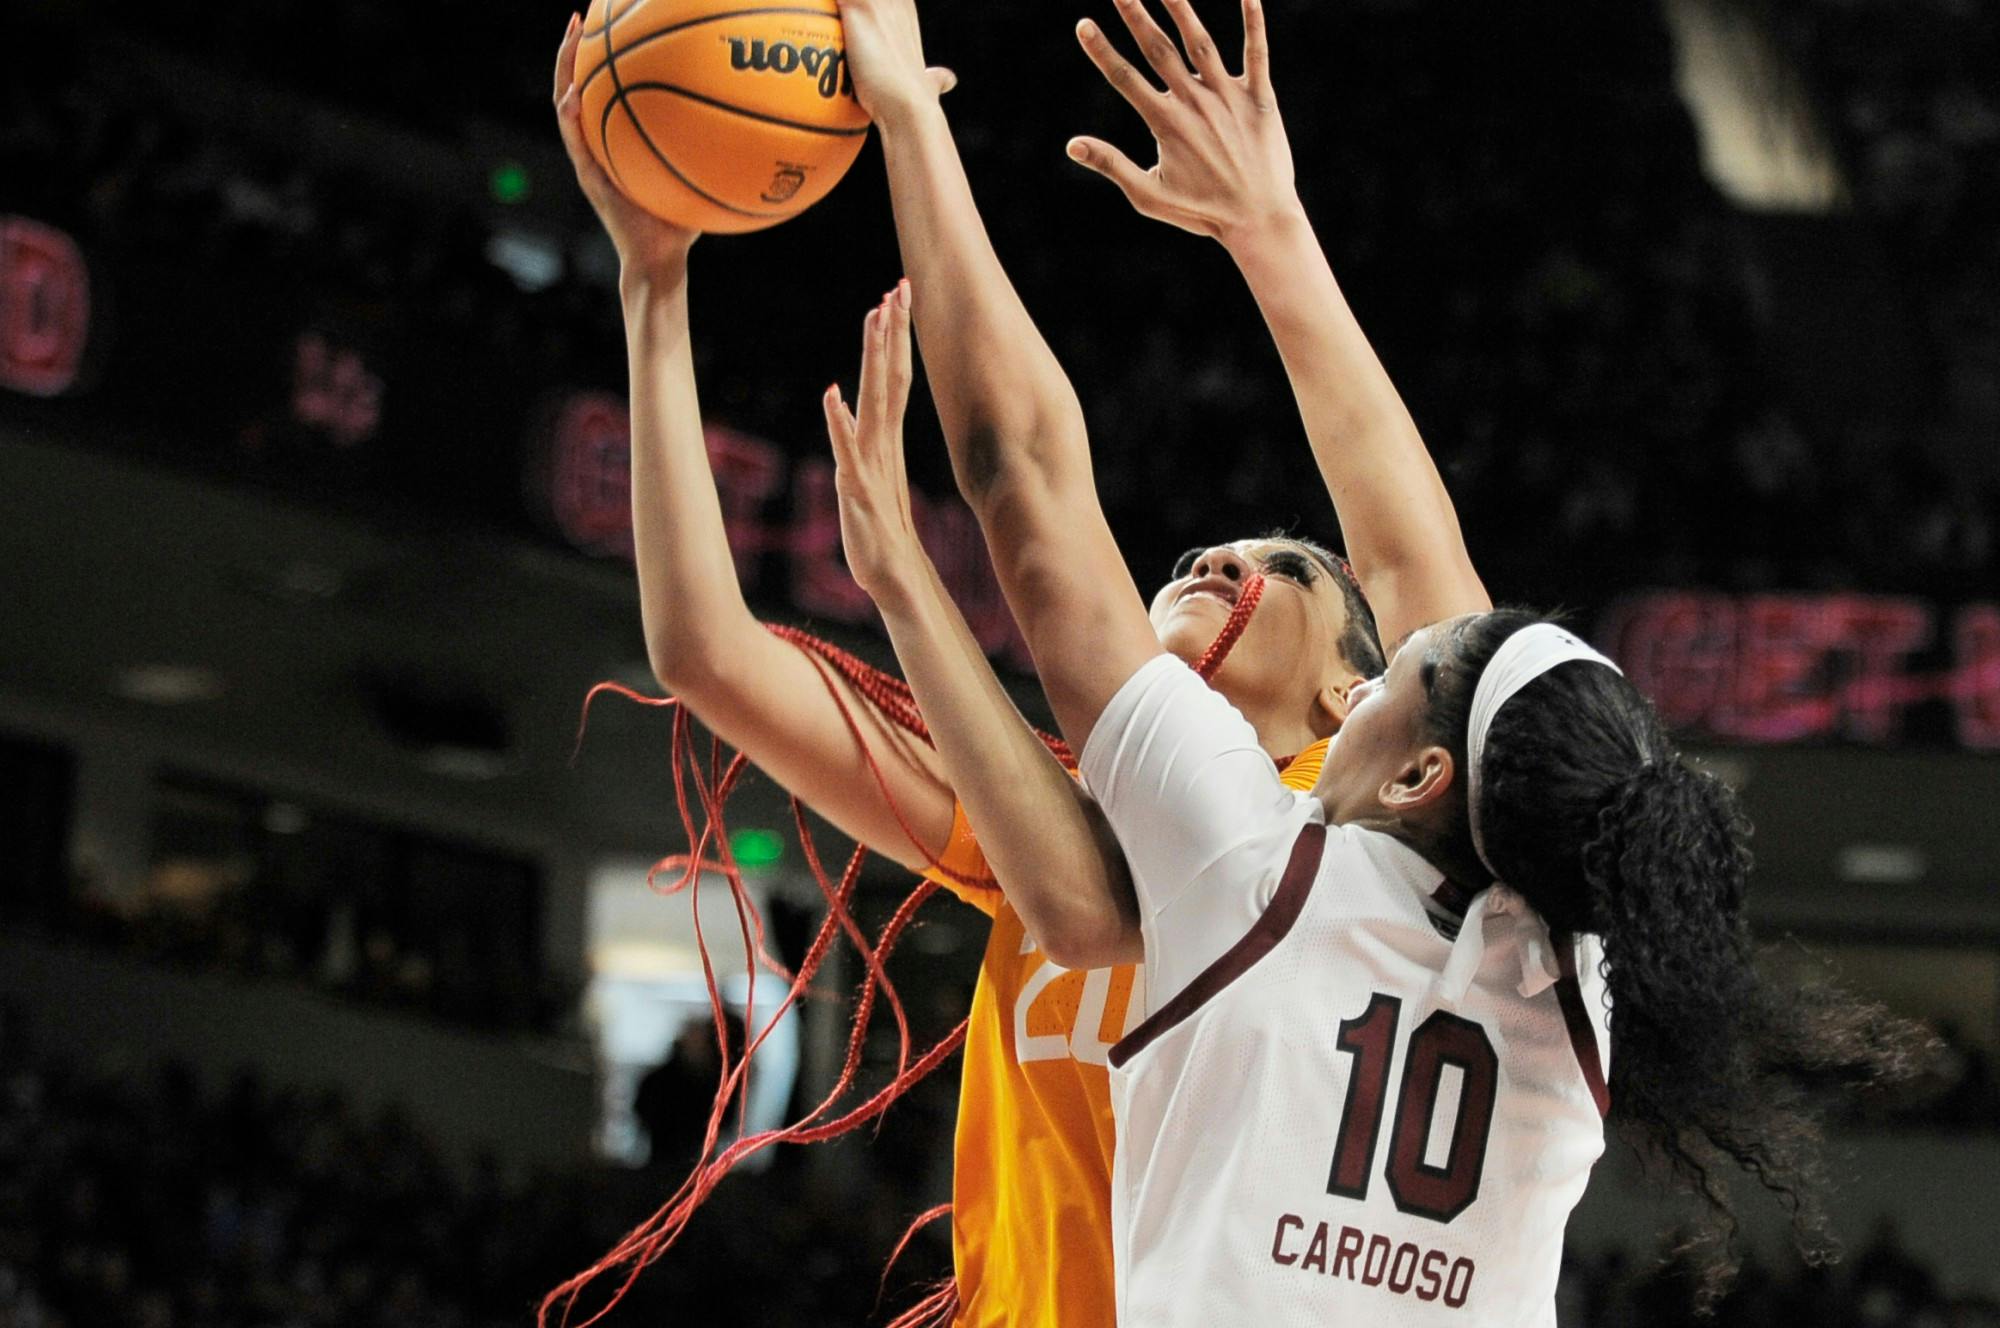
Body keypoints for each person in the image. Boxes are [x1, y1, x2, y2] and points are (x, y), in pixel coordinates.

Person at [825, 187, 1933, 1328]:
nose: (1384, 637)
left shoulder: (1264, 874)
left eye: (1386, 677)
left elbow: (1025, 477)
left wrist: (914, 119)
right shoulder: (1575, 982)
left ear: (1416, 775)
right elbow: (1416, 568)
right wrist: (1269, 231)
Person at [546, 0, 1491, 1315]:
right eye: (1197, 556)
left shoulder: (1393, 830)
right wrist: (656, 291)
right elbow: (704, 650)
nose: (1219, 562)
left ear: (1357, 691)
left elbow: (1372, 553)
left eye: (1285, 567)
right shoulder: (1061, 824)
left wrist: (1270, 231)